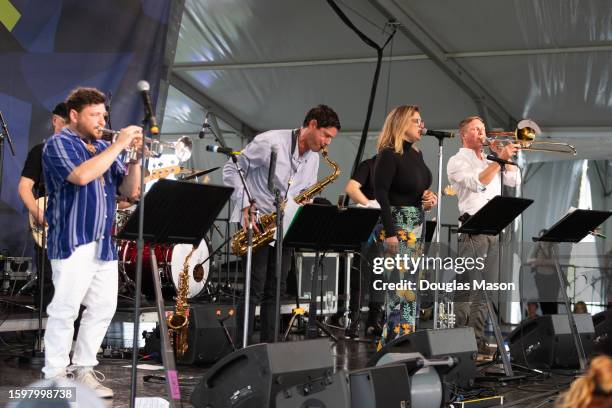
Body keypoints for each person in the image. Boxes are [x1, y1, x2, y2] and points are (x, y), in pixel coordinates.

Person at [41, 87, 143, 398]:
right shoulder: (58, 144)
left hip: (103, 242)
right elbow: (82, 176)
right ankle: (55, 375)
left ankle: (84, 369)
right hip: (72, 240)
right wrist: (120, 143)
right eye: (94, 115)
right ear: (74, 116)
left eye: (104, 115)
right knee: (66, 309)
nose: (102, 121)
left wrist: (135, 158)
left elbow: (130, 191)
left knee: (103, 307)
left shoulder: (102, 146)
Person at [222, 104, 340, 345]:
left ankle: (270, 348)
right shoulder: (270, 142)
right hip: (256, 222)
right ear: (312, 124)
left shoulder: (315, 159)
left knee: (276, 289)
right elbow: (232, 169)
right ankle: (240, 349)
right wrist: (245, 204)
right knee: (254, 287)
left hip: (284, 226)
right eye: (326, 135)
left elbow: (303, 191)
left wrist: (307, 201)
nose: (328, 142)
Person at [446, 115, 520, 355]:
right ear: (463, 135)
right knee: (467, 286)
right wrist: (499, 160)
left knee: (486, 290)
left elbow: (513, 179)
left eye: (483, 129)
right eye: (476, 130)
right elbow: (479, 183)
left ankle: (476, 341)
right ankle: (459, 341)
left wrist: (502, 159)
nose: (481, 133)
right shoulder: (457, 161)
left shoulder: (490, 159)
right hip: (472, 230)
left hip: (494, 229)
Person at [373, 105, 437, 349]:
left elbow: (417, 192)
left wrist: (429, 199)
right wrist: (390, 233)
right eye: (416, 121)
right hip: (397, 228)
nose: (421, 125)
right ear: (401, 124)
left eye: (421, 120)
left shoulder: (416, 154)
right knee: (399, 294)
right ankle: (391, 346)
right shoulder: (388, 154)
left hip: (416, 227)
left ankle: (405, 344)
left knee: (411, 293)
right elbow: (382, 194)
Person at [18, 103, 68, 309]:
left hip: (74, 224)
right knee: (49, 278)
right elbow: (24, 187)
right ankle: (43, 333)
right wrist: (36, 211)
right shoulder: (41, 151)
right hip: (48, 220)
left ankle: (74, 337)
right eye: (65, 123)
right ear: (55, 121)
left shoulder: (85, 154)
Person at [343, 156, 383, 338]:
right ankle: (354, 319)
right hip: (368, 222)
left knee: (380, 274)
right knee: (360, 272)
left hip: (386, 225)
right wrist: (371, 205)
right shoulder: (369, 165)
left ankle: (375, 320)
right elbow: (351, 188)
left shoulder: (398, 169)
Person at [527, 229, 561, 315]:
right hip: (540, 277)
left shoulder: (554, 246)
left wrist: (539, 261)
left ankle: (554, 321)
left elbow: (555, 261)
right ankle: (546, 319)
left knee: (553, 301)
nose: (543, 239)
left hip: (552, 277)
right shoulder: (537, 245)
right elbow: (529, 260)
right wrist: (542, 261)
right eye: (541, 237)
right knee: (543, 300)